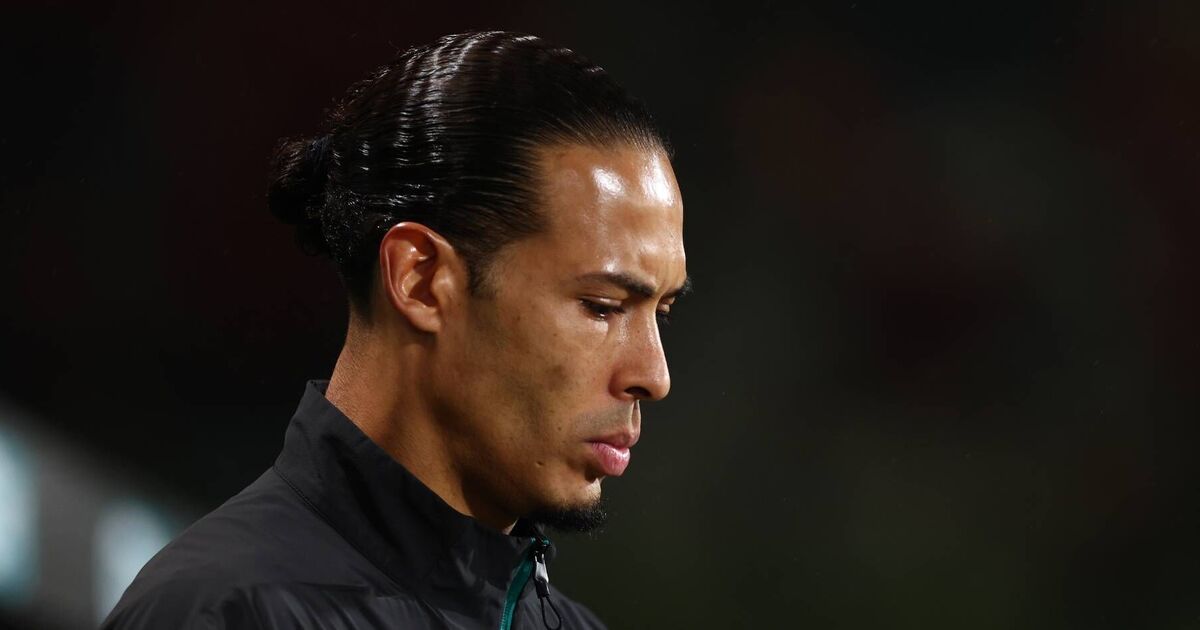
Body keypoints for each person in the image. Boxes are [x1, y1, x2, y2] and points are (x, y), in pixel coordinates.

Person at [101, 30, 688, 630]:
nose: (655, 376)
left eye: (662, 313)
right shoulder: (220, 612)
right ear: (420, 279)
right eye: (602, 306)